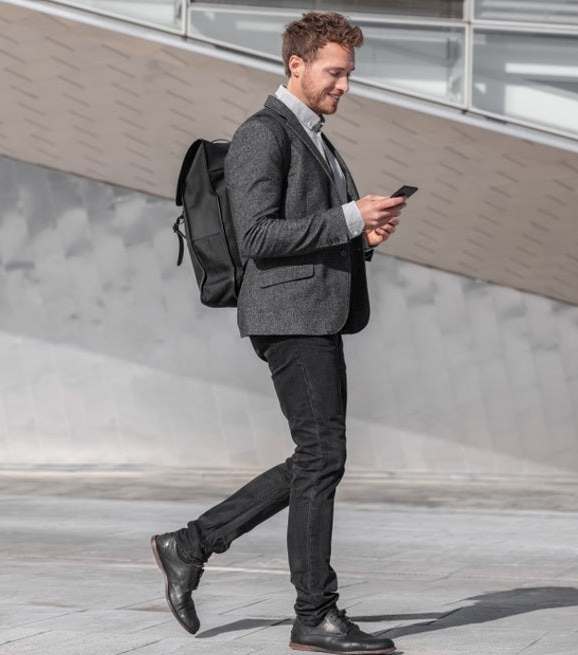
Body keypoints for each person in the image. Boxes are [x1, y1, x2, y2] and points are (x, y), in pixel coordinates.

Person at [151, 11, 406, 655]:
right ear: (295, 65)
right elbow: (259, 235)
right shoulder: (265, 133)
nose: (345, 85)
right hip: (289, 318)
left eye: (349, 75)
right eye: (335, 72)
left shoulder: (315, 136)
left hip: (315, 312)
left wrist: (362, 238)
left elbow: (311, 228)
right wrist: (350, 216)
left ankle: (192, 544)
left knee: (317, 457)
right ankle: (313, 613)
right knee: (323, 457)